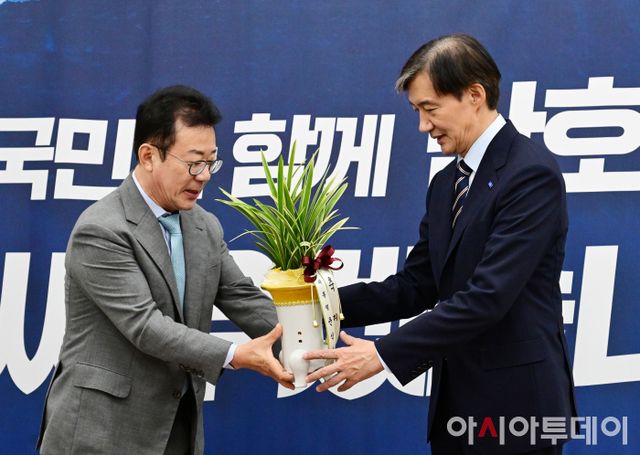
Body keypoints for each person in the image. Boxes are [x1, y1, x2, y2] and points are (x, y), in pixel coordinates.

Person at [305, 34, 577, 454]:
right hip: (456, 409)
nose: (423, 126)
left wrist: (382, 355)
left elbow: (487, 297)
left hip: (519, 408)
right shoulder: (446, 182)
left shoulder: (530, 174)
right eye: (417, 111)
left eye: (430, 109)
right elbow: (417, 285)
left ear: (474, 95)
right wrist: (317, 306)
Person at [37, 85, 294, 455]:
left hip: (176, 429)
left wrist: (307, 343)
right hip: (100, 433)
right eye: (193, 162)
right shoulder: (102, 228)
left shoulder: (204, 225)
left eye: (211, 162)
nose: (204, 176)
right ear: (148, 156)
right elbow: (146, 326)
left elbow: (240, 296)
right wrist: (235, 355)